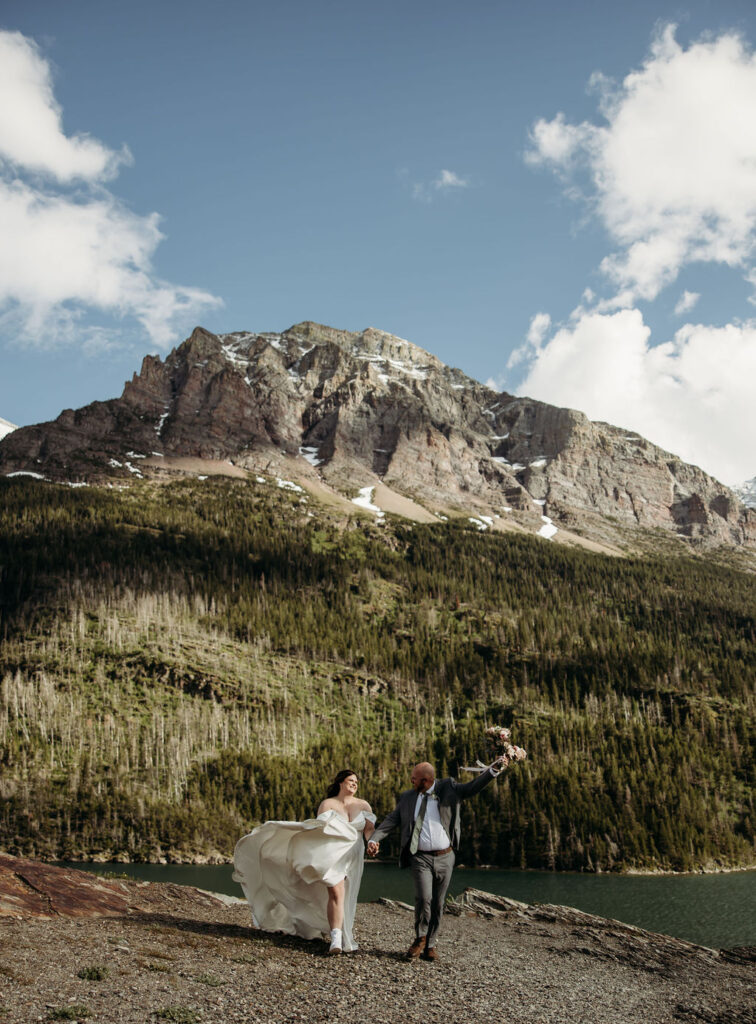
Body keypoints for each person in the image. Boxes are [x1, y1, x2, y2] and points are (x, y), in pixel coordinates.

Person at [367, 756, 506, 961]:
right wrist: (374, 839)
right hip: (419, 857)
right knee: (424, 898)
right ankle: (420, 938)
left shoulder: (449, 788)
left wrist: (493, 771)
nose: (411, 781)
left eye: (414, 778)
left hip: (445, 857)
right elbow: (392, 819)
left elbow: (473, 787)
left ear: (426, 780)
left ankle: (431, 945)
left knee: (438, 904)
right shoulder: (407, 797)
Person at [233, 769, 375, 955]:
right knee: (336, 891)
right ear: (340, 782)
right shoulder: (328, 803)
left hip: (354, 854)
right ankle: (336, 939)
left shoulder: (363, 805)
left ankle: (338, 931)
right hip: (333, 853)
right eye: (350, 780)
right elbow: (318, 829)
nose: (354, 784)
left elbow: (369, 829)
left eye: (356, 781)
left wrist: (372, 841)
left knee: (348, 895)